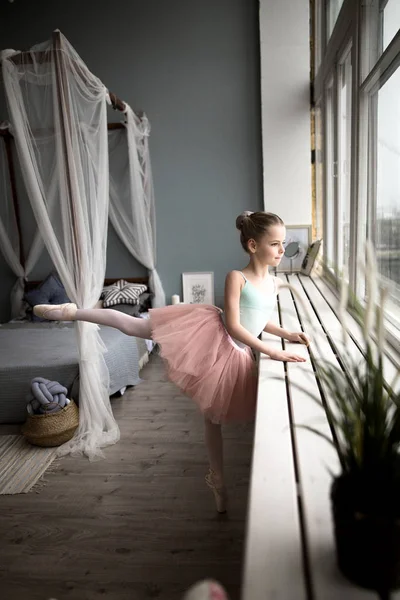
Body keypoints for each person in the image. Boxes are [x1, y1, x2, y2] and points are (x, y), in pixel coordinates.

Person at [33, 211, 310, 513]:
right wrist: (273, 352)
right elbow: (234, 324)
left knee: (213, 418)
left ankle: (217, 479)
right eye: (275, 244)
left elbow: (258, 317)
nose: (282, 250)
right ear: (254, 245)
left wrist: (285, 333)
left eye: (283, 244)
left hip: (237, 352)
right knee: (135, 326)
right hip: (213, 334)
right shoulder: (237, 277)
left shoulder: (272, 281)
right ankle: (71, 312)